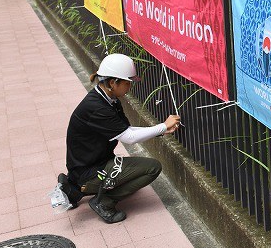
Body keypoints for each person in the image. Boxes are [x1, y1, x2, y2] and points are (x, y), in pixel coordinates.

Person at [58, 53, 181, 223]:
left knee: (133, 176)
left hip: (89, 165)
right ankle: (104, 202)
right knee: (152, 168)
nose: (130, 86)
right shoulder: (97, 107)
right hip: (89, 171)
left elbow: (127, 130)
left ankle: (76, 189)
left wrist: (161, 130)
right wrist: (163, 126)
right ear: (112, 82)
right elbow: (129, 137)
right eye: (127, 82)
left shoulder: (109, 99)